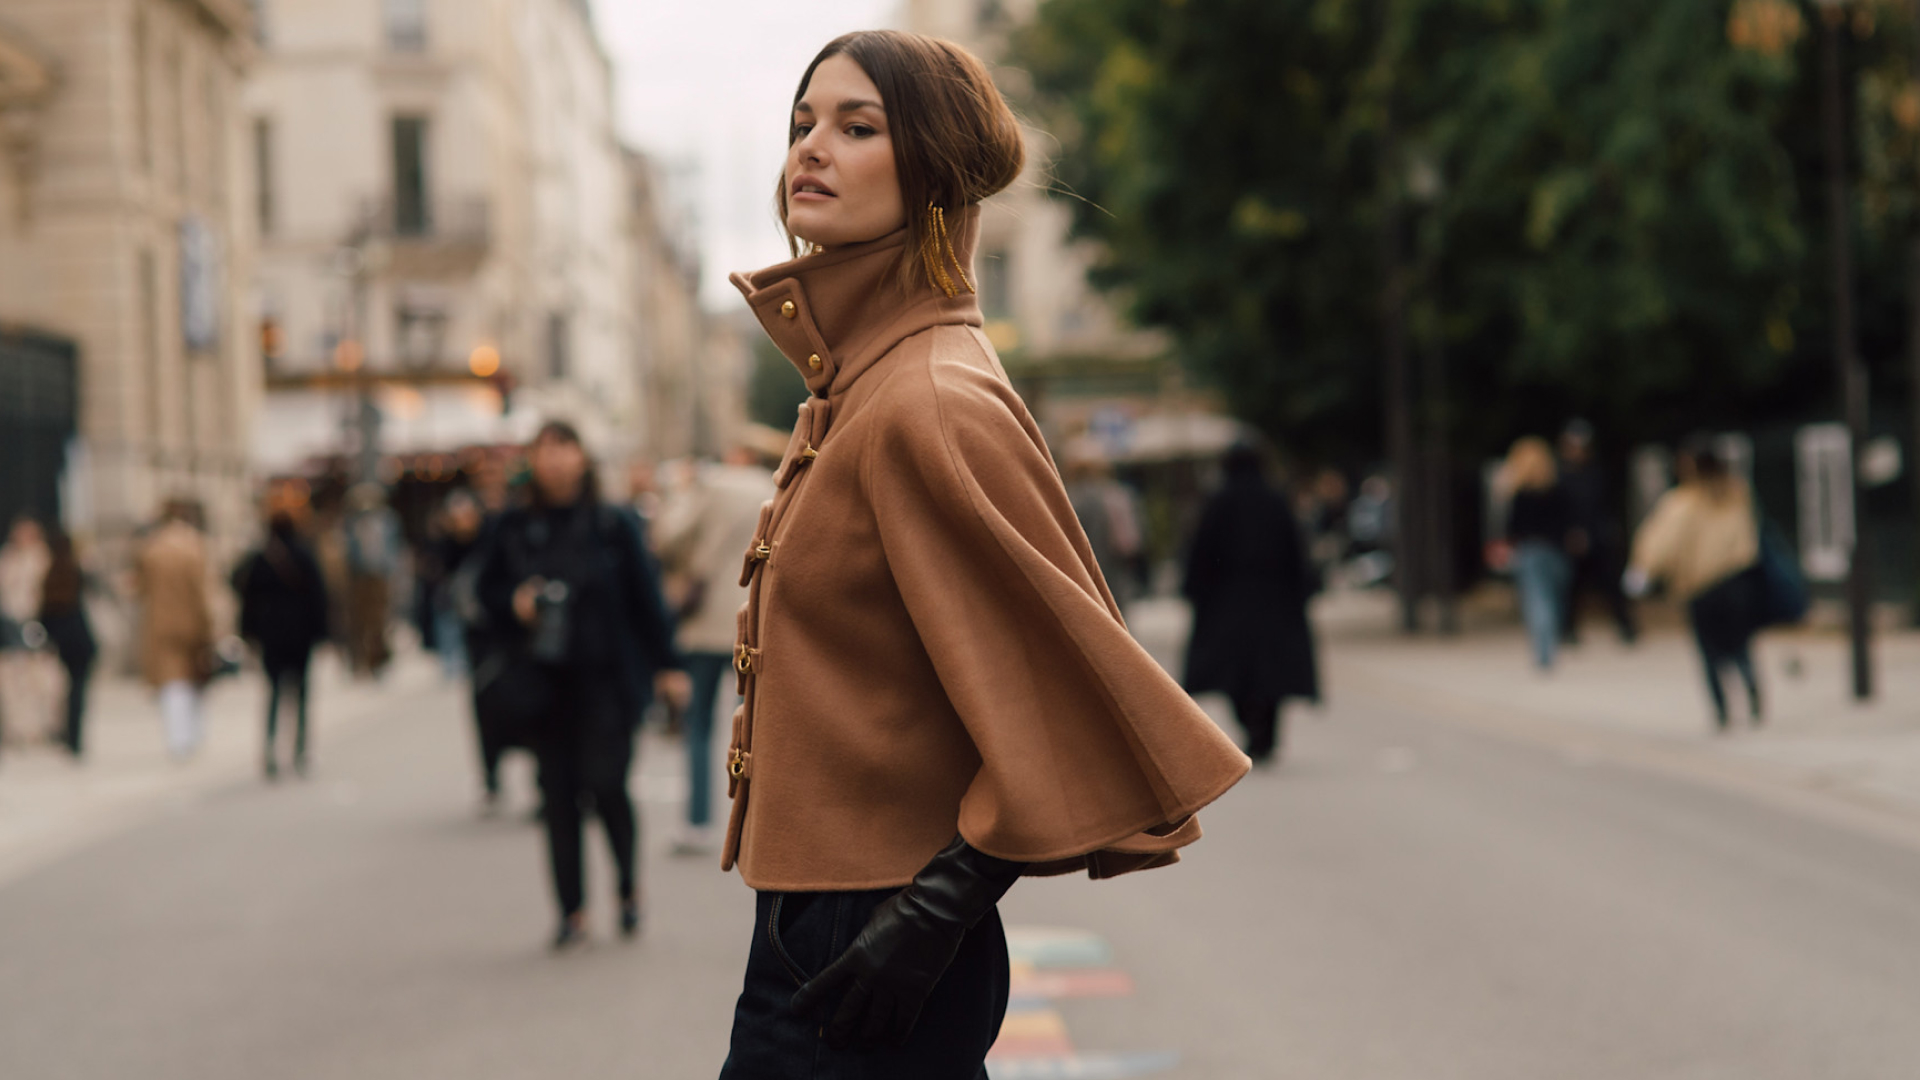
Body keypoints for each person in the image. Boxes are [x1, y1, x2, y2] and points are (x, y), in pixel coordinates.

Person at [717, 32, 1248, 1077]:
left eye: (857, 127)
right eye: (803, 124)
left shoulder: (926, 398)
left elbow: (1052, 687)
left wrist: (935, 911)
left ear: (934, 171)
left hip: (872, 927)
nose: (810, 148)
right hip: (828, 917)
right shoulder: (866, 385)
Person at [474, 421, 687, 948]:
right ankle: (571, 911)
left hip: (607, 681)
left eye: (563, 448)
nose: (554, 459)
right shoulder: (513, 526)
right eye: (543, 450)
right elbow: (483, 592)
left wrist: (668, 665)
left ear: (582, 458)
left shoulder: (612, 523)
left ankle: (628, 888)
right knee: (559, 799)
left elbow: (645, 597)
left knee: (608, 785)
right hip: (544, 686)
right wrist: (515, 603)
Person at [652, 447, 775, 856]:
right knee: (755, 726)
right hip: (753, 618)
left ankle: (699, 822)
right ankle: (757, 820)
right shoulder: (770, 486)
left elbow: (669, 537)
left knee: (699, 724)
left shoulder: (710, 486)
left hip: (706, 624)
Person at [1181, 444, 1321, 766]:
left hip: (1227, 604)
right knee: (1272, 673)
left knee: (1234, 675)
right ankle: (1266, 734)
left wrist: (1195, 592)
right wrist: (1303, 590)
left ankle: (1251, 728)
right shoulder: (1276, 501)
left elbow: (1201, 552)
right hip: (1274, 602)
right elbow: (1296, 551)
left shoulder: (1219, 503)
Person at [1626, 436, 1763, 730]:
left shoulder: (1683, 501)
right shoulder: (1738, 493)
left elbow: (1661, 543)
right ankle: (1752, 689)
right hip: (1737, 580)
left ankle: (1722, 710)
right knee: (1740, 643)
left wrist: (1643, 570)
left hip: (1700, 586)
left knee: (1708, 651)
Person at [234, 511, 331, 779]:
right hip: (301, 635)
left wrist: (249, 633)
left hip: (272, 636)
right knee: (300, 695)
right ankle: (300, 749)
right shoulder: (304, 555)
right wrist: (322, 634)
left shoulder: (261, 558)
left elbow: (247, 599)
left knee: (274, 693)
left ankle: (270, 749)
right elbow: (318, 596)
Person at [136, 500, 215, 759]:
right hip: (190, 620)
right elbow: (203, 591)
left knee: (172, 681)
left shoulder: (152, 548)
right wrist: (209, 624)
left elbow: (140, 588)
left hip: (160, 621)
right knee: (193, 678)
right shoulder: (194, 546)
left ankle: (178, 738)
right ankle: (192, 733)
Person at [1493, 437, 1574, 671]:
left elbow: (1512, 528)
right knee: (1553, 601)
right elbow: (1568, 524)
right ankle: (1549, 648)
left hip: (1530, 552)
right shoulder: (1558, 490)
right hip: (1556, 552)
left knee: (1537, 602)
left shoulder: (1520, 494)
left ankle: (1543, 652)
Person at [1557, 420, 1637, 645]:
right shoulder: (1561, 475)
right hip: (1573, 540)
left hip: (1599, 537)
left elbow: (1606, 506)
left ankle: (1626, 626)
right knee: (1573, 588)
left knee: (1611, 585)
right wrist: (1571, 532)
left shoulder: (1597, 472)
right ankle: (1567, 629)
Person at [1063, 445, 1146, 610]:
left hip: (1084, 568)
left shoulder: (1070, 498)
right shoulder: (1118, 494)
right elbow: (1132, 539)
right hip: (1115, 566)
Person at [38, 528, 96, 757]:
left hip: (62, 642)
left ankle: (67, 734)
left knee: (63, 690)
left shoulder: (49, 576)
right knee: (77, 691)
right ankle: (74, 737)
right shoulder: (75, 572)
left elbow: (43, 616)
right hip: (81, 640)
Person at [341, 483, 400, 678]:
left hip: (380, 576)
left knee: (379, 620)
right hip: (359, 578)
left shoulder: (388, 521)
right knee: (360, 620)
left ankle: (378, 660)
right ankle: (361, 661)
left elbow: (393, 550)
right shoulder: (352, 523)